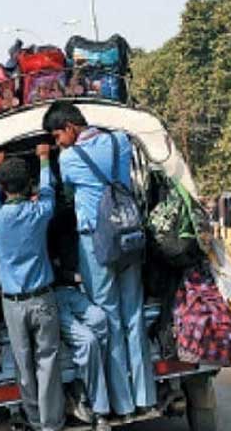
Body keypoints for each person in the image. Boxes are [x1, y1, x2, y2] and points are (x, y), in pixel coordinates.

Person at [43, 101, 155, 417]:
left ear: (70, 127)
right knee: (133, 315)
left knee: (109, 318)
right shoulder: (120, 140)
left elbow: (65, 196)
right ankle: (145, 395)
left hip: (96, 243)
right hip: (129, 237)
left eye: (57, 136)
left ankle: (123, 403)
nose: (57, 143)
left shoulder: (68, 159)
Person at [0, 147, 65, 431]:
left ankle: (34, 419)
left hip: (13, 304)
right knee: (48, 363)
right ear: (28, 184)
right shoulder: (39, 212)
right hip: (43, 299)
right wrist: (44, 158)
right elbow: (48, 190)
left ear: (3, 187)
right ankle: (51, 423)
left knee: (24, 366)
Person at [48, 208, 111, 431]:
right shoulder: (34, 222)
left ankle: (86, 384)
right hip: (49, 297)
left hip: (72, 291)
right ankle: (99, 409)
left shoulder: (66, 224)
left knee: (101, 318)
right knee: (88, 341)